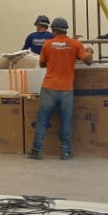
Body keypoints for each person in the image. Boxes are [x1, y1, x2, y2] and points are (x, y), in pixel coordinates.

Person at [28, 17, 93, 160]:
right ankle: (66, 152)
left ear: (54, 30)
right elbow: (88, 61)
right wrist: (89, 50)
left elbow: (42, 64)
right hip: (66, 89)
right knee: (66, 120)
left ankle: (37, 150)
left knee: (42, 120)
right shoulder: (75, 44)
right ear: (66, 30)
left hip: (49, 88)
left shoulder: (47, 44)